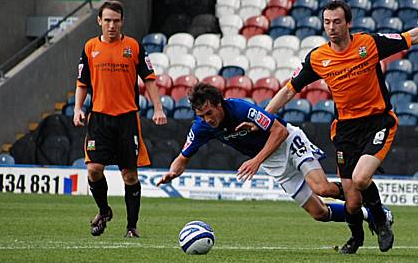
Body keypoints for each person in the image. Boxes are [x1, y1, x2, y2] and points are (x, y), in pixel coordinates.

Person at [263, 0, 418, 254]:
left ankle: (381, 221)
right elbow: (288, 91)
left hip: (377, 122)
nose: (331, 27)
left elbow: (411, 37)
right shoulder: (318, 58)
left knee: (361, 179)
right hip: (346, 130)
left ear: (348, 23)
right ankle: (356, 238)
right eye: (327, 22)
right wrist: (261, 118)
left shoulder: (369, 43)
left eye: (337, 21)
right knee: (351, 202)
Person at [156, 83, 393, 230]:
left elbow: (279, 130)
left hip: (288, 142)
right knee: (319, 213)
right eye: (202, 115)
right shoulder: (202, 127)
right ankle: (366, 214)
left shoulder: (240, 108)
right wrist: (172, 172)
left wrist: (256, 160)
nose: (207, 119)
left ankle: (376, 209)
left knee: (322, 188)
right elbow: (183, 157)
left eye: (209, 112)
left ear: (219, 104)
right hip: (272, 161)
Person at [73, 0, 167, 238]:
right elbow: (82, 82)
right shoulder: (90, 47)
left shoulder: (133, 47)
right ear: (99, 22)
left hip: (127, 119)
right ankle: (104, 211)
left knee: (130, 175)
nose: (111, 25)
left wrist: (158, 108)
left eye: (115, 21)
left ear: (122, 21)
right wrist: (77, 108)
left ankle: (131, 227)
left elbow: (149, 78)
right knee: (94, 169)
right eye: (107, 21)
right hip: (99, 119)